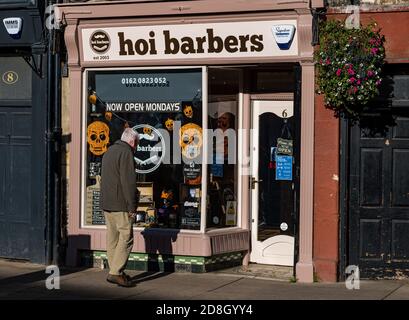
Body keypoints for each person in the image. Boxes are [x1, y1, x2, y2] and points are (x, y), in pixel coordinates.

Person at [101, 127, 140, 287]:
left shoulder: (109, 151)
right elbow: (128, 182)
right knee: (127, 237)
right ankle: (115, 272)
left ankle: (115, 270)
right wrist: (132, 206)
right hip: (120, 204)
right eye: (137, 143)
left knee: (112, 238)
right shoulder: (126, 153)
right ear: (132, 141)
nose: (137, 146)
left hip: (107, 202)